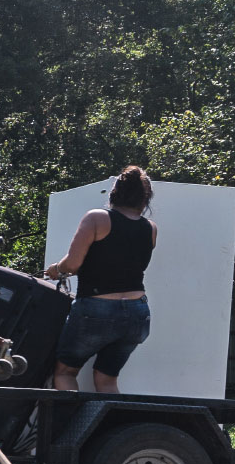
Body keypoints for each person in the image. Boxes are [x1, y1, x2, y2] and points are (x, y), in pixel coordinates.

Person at [44, 165, 158, 393]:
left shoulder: (97, 218)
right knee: (107, 380)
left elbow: (73, 264)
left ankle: (70, 428)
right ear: (145, 199)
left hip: (97, 309)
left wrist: (56, 269)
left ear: (114, 192)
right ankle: (113, 429)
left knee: (66, 372)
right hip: (137, 313)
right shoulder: (151, 228)